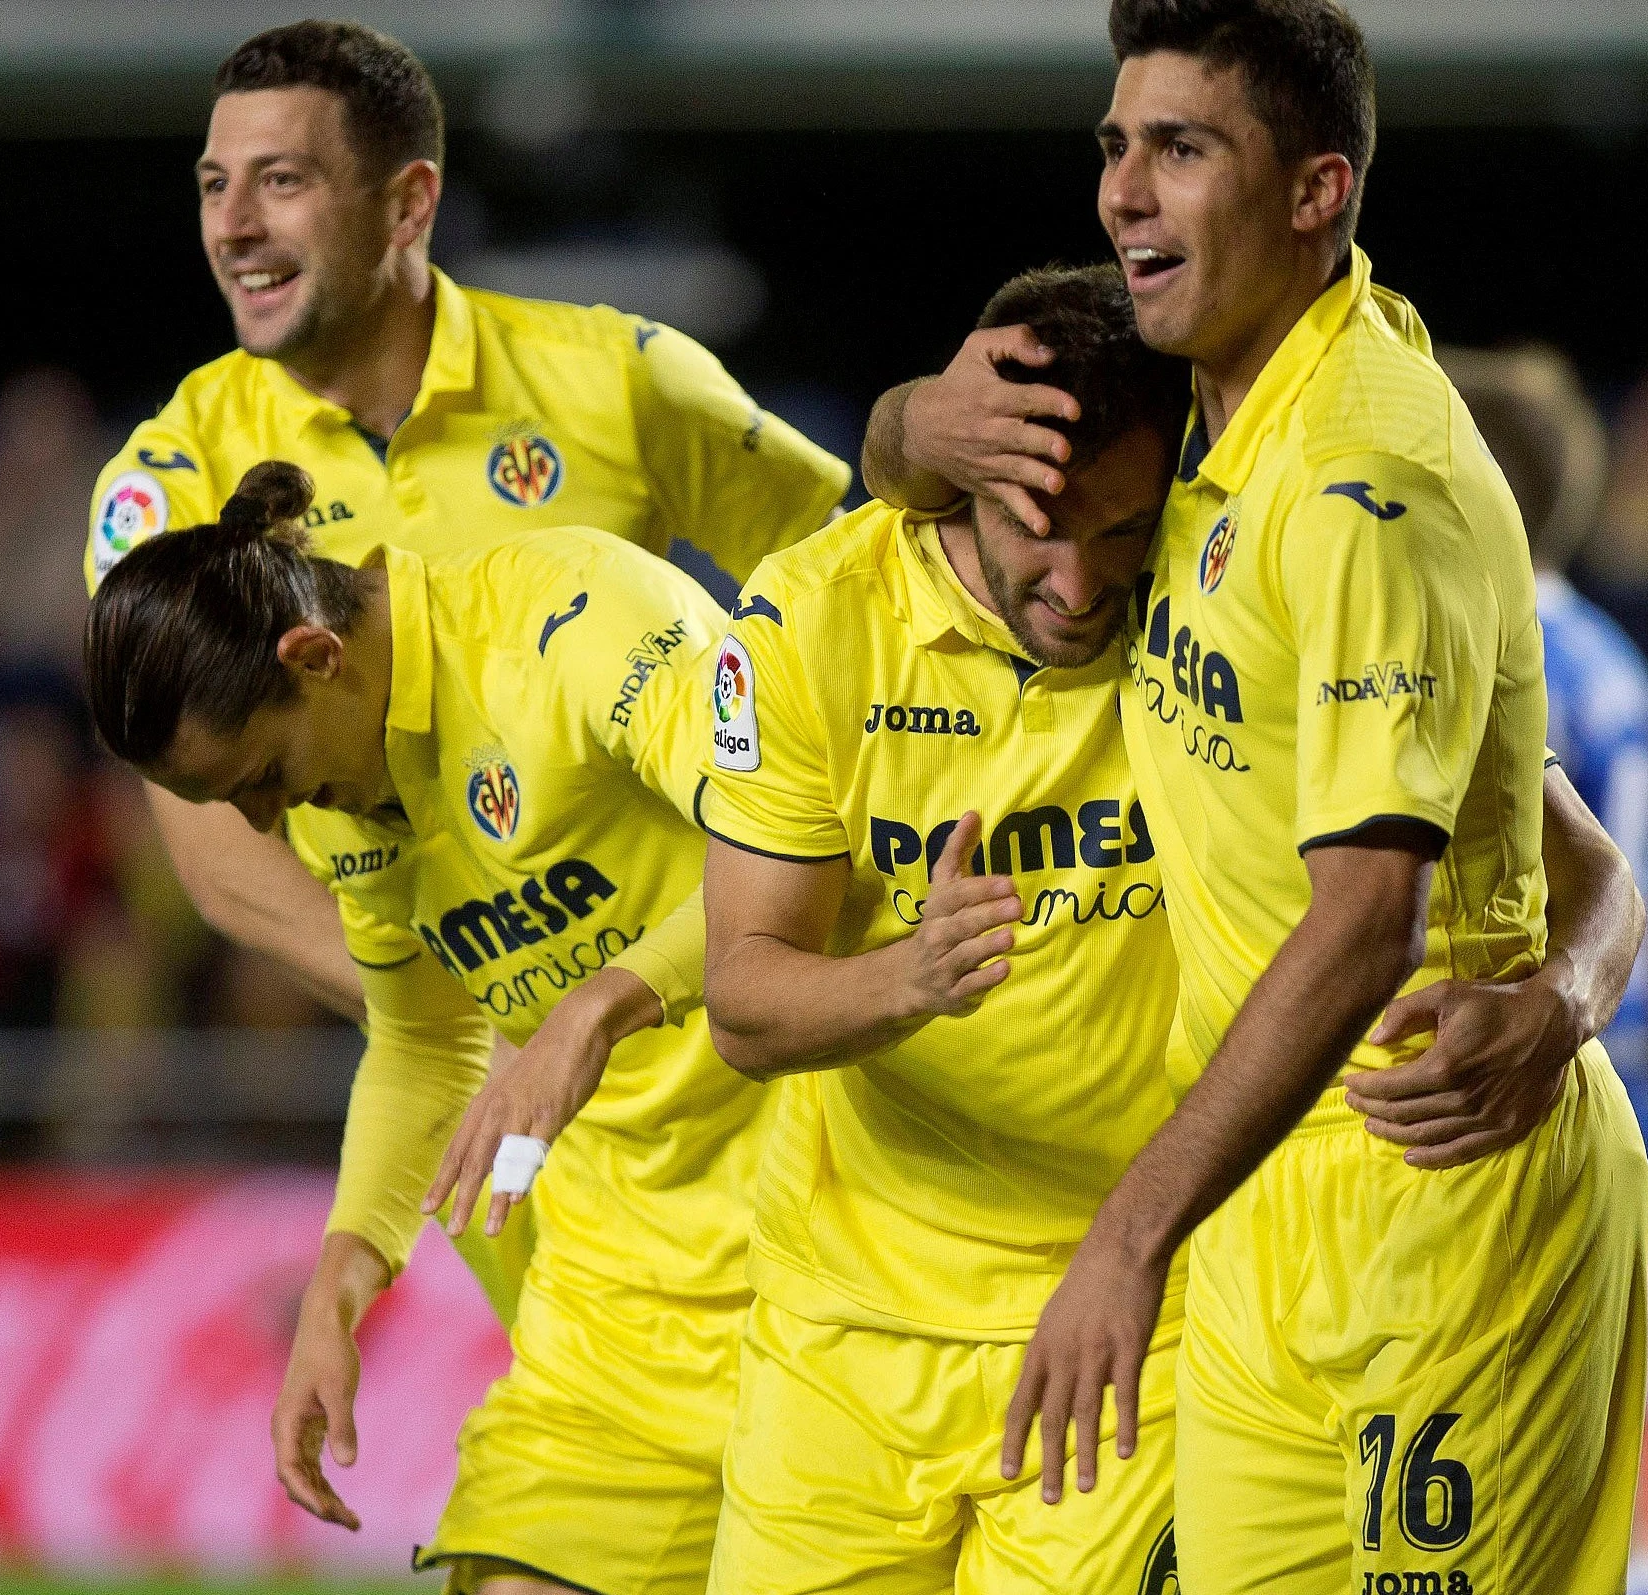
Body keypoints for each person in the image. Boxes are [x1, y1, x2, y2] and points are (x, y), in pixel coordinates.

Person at [861, 4, 1648, 1591]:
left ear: (1312, 190)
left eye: (1180, 149)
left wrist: (1123, 1234)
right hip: (1257, 1207)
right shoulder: (1209, 427)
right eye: (1113, 146)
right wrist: (910, 427)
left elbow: (1368, 924)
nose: (1122, 193)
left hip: (1431, 1202)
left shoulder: (1366, 484)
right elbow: (1560, 821)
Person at [85, 461, 764, 1595]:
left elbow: (802, 843)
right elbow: (419, 1040)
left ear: (315, 657)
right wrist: (338, 1290)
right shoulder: (353, 796)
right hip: (615, 1310)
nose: (265, 819)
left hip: (820, 1259)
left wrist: (591, 1011)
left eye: (260, 775)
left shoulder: (576, 622)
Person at [86, 19, 847, 1020]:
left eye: (280, 181)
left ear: (408, 204)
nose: (232, 224)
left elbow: (847, 605)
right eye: (214, 185)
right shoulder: (170, 477)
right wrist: (468, 1027)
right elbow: (219, 841)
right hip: (494, 1081)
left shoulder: (619, 378)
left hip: (717, 1024)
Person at [695, 264, 1190, 1593]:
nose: (1082, 582)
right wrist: (903, 979)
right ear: (963, 480)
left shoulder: (1226, 599)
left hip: (1142, 1311)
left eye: (1122, 528)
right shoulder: (811, 616)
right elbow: (741, 997)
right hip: (843, 1338)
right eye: (1042, 522)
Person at [1443, 345, 1648, 1595]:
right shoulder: (1615, 659)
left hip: (1512, 1093)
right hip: (1624, 1094)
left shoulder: (1490, 643)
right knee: (1614, 1486)